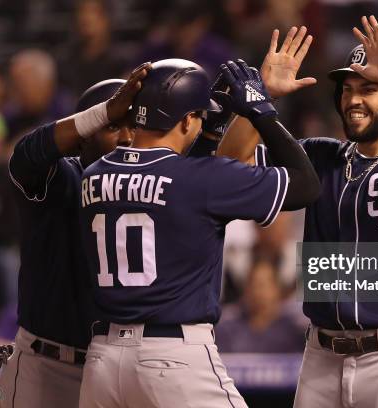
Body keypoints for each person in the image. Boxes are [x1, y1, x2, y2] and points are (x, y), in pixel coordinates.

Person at [218, 16, 378, 408]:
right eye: (348, 89)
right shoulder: (321, 156)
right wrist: (261, 98)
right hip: (320, 355)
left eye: (370, 88)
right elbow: (231, 160)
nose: (353, 99)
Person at [77, 58, 320, 408]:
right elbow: (305, 185)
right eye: (199, 115)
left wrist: (213, 127)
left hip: (103, 361)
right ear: (188, 119)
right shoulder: (201, 180)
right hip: (172, 358)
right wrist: (261, 111)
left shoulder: (94, 174)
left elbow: (177, 180)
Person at [0, 64, 150, 408]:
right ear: (86, 133)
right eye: (112, 126)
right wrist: (101, 111)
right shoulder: (65, 179)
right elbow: (25, 158)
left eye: (134, 127)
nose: (127, 138)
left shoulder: (153, 188)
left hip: (121, 368)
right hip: (49, 365)